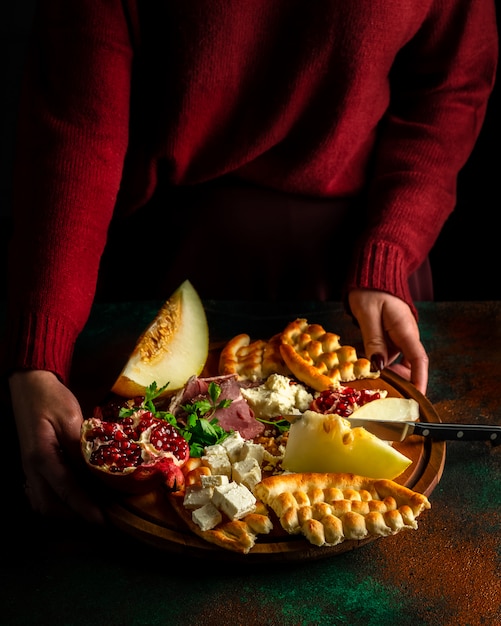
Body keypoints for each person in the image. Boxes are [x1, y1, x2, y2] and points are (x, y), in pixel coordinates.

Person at [4, 1, 498, 524]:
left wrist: (392, 246)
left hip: (362, 265)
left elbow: (451, 83)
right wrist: (39, 350)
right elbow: (78, 125)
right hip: (163, 260)